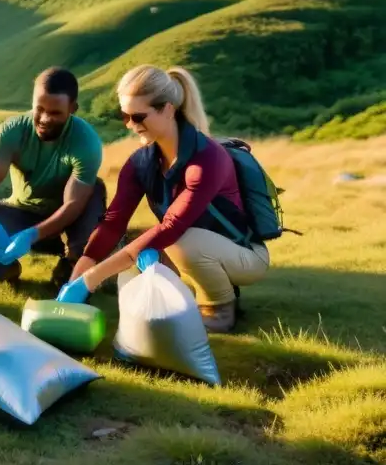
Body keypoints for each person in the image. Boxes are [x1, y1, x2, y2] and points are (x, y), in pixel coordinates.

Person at [58, 64, 271, 333]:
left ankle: (220, 309)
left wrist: (91, 279)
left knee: (181, 240)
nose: (131, 125)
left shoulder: (207, 160)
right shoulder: (141, 163)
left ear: (168, 109)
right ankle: (178, 307)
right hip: (191, 250)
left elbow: (172, 227)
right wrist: (76, 278)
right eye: (124, 116)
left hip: (243, 256)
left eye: (138, 117)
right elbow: (113, 223)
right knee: (135, 262)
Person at [0, 67, 107, 289]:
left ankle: (72, 262)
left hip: (67, 221)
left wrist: (34, 234)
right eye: (39, 109)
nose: (45, 119)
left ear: (72, 109)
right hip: (23, 215)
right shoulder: (11, 132)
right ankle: (6, 270)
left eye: (55, 113)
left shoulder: (86, 142)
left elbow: (73, 204)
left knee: (95, 189)